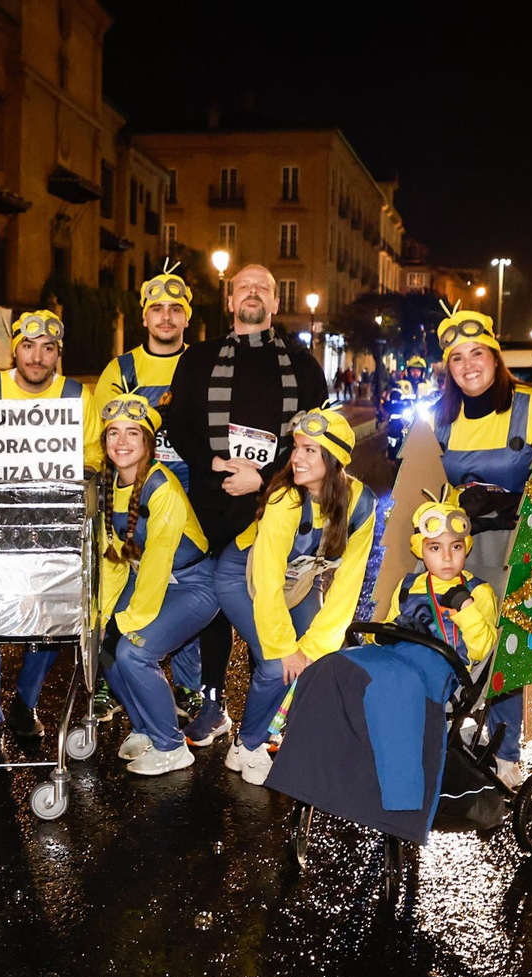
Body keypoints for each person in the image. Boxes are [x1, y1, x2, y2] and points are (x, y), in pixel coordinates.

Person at [266, 494, 497, 843]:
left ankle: (400, 804)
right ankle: (310, 772)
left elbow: (481, 649)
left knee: (391, 687)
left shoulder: (479, 592)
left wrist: (464, 607)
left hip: (438, 665)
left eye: (455, 547)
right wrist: (379, 636)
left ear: (466, 548)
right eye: (435, 548)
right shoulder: (409, 585)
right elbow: (387, 626)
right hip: (397, 654)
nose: (447, 557)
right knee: (330, 669)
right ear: (422, 550)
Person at [165, 265, 328, 745]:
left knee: (273, 604)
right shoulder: (198, 359)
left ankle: (272, 714)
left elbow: (314, 438)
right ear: (230, 300)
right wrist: (214, 464)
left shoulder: (303, 366)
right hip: (211, 505)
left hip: (277, 503)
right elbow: (178, 425)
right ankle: (213, 705)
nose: (252, 293)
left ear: (275, 303)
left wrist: (262, 477)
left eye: (263, 288)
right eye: (243, 287)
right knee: (214, 614)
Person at [431, 306, 532, 789]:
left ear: (495, 356)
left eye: (478, 353)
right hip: (463, 546)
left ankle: (507, 753)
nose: (468, 365)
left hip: (523, 543)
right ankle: (458, 727)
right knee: (460, 632)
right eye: (457, 358)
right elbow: (428, 487)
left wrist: (531, 512)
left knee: (511, 648)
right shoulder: (440, 419)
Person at [214, 407, 377, 786]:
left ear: (333, 459)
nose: (296, 458)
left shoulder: (360, 504)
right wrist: (285, 647)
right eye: (297, 447)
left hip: (302, 582)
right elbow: (267, 579)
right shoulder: (285, 499)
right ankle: (246, 745)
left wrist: (314, 646)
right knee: (277, 666)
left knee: (316, 662)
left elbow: (349, 583)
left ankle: (272, 729)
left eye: (309, 450)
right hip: (243, 577)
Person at [0, 309, 101, 743]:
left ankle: (25, 701)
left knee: (52, 614)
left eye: (48, 348)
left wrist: (74, 473)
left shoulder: (77, 395)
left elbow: (93, 454)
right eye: (28, 346)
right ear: (14, 350)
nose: (37, 357)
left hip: (51, 522)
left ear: (59, 353)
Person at [93, 267, 203, 724]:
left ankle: (191, 687)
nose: (166, 317)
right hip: (132, 486)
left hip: (191, 488)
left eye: (175, 309)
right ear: (144, 317)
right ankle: (113, 679)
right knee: (127, 573)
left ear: (187, 317)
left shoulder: (201, 363)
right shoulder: (120, 369)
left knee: (182, 580)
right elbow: (102, 436)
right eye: (157, 308)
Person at [94, 393, 219, 776]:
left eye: (132, 432)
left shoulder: (162, 487)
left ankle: (171, 746)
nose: (121, 441)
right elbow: (115, 560)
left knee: (133, 652)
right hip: (147, 579)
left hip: (192, 585)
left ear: (148, 442)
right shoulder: (107, 484)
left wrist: (128, 621)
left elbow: (158, 563)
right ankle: (145, 728)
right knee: (103, 646)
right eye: (113, 433)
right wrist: (104, 615)